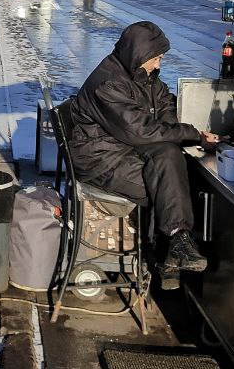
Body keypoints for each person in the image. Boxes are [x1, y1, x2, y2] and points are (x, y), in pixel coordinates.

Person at [60, 21, 219, 290]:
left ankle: (172, 251)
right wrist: (193, 135)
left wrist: (171, 128)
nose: (158, 65)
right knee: (170, 183)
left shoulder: (136, 73)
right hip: (100, 161)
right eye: (156, 58)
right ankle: (170, 250)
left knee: (170, 159)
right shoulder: (108, 84)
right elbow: (140, 132)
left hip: (121, 150)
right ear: (139, 54)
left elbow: (163, 99)